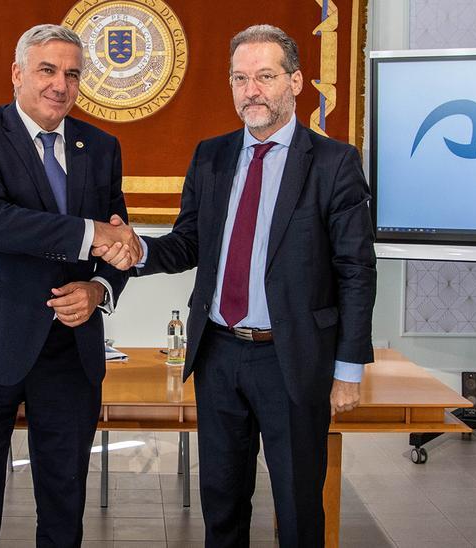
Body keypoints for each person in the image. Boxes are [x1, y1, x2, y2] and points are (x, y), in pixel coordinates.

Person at [95, 24, 376, 546]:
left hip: (293, 358)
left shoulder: (334, 163)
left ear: (295, 82)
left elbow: (356, 270)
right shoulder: (212, 155)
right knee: (220, 500)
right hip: (219, 354)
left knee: (296, 504)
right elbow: (189, 242)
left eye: (266, 76)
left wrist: (349, 368)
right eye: (241, 78)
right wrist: (138, 252)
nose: (252, 90)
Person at [0, 23, 141, 546]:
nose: (60, 85)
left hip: (70, 347)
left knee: (64, 493)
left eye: (72, 74)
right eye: (47, 70)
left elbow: (118, 244)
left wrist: (98, 291)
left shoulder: (102, 145)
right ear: (18, 73)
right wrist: (90, 234)